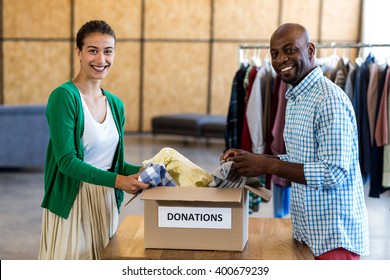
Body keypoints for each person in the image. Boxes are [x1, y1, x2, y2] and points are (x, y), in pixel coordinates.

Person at [221, 23, 369, 260]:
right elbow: (302, 161)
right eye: (274, 53)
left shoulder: (329, 101)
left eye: (290, 50)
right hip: (308, 234)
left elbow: (333, 173)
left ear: (310, 50)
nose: (281, 59)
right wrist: (255, 160)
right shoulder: (296, 97)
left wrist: (269, 166)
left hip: (333, 240)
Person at [38, 20, 149, 260]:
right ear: (78, 52)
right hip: (73, 202)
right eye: (93, 50)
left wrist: (142, 171)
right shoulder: (64, 97)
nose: (101, 59)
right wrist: (119, 181)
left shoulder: (116, 104)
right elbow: (67, 161)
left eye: (108, 51)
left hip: (106, 202)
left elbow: (113, 164)